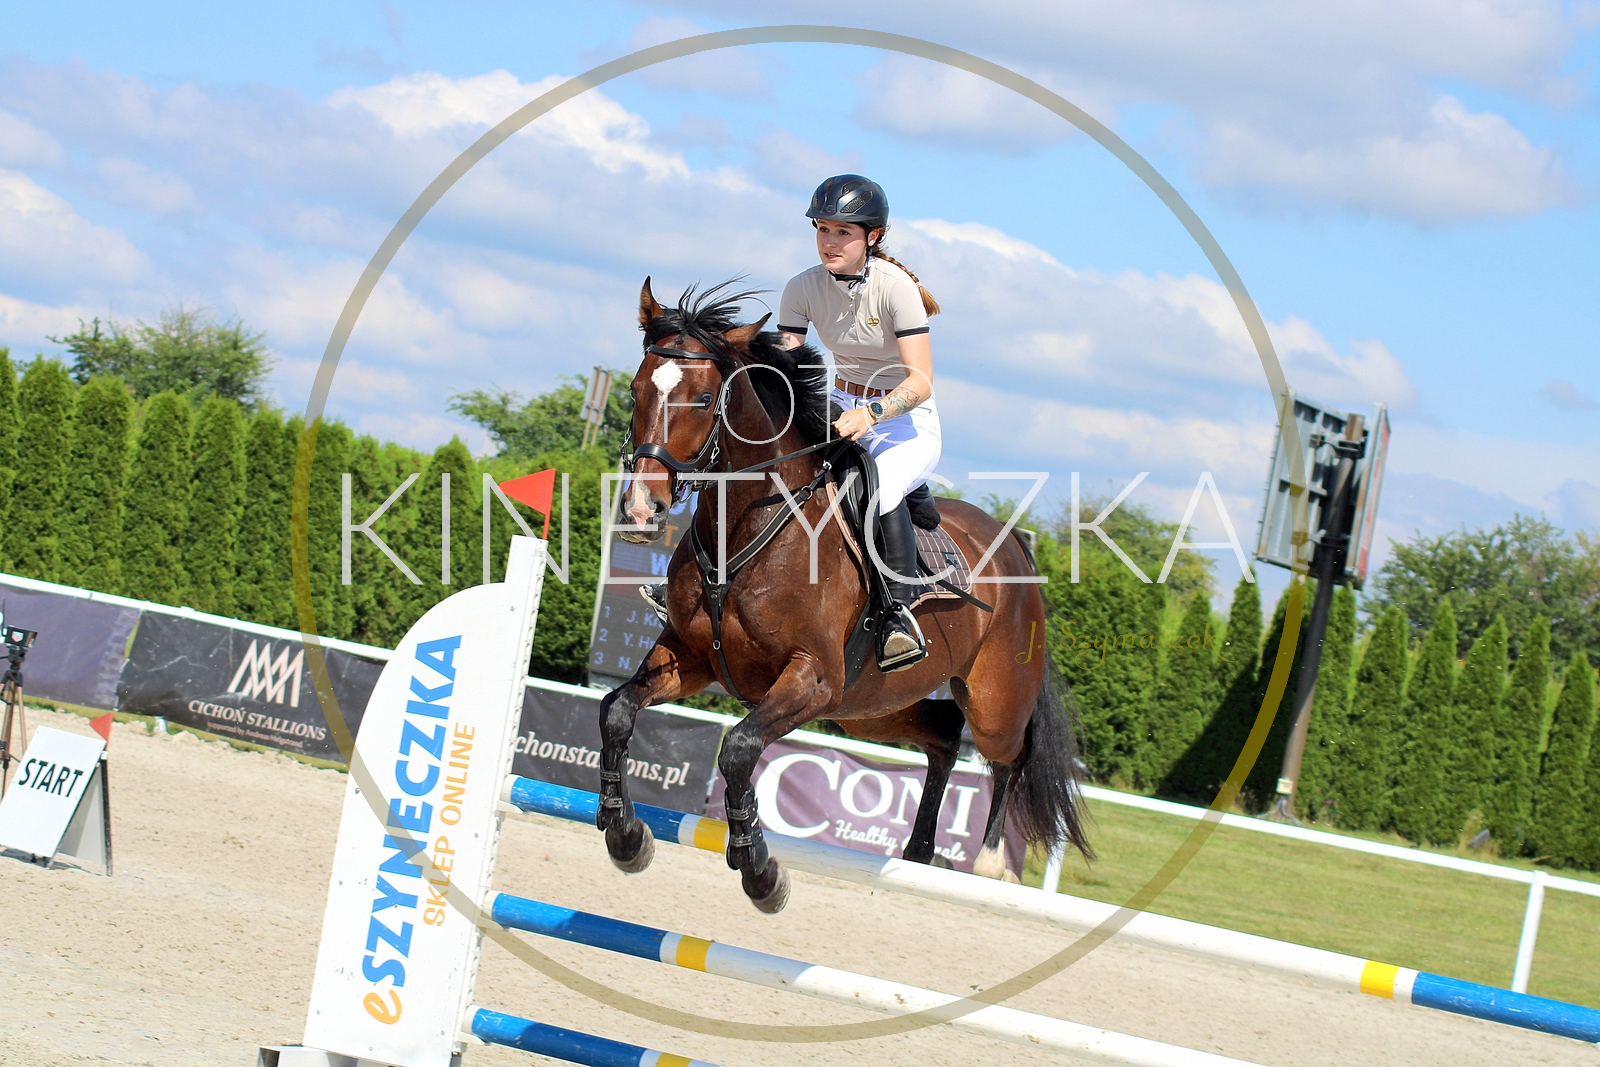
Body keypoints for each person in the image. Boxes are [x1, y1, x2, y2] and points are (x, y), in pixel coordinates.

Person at [776, 174, 943, 672]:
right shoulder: (801, 287)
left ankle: (897, 616)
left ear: (873, 236)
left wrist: (870, 414)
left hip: (903, 418)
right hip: (838, 405)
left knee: (882, 489)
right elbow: (786, 365)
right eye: (823, 229)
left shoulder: (897, 289)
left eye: (842, 232)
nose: (829, 241)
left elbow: (921, 382)